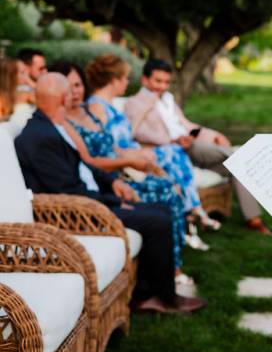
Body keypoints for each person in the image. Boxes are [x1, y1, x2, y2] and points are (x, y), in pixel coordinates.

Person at [14, 73, 206, 314]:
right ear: (63, 98)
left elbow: (85, 164)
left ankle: (145, 294)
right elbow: (67, 191)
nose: (74, 95)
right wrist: (113, 201)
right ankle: (165, 298)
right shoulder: (41, 137)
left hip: (89, 200)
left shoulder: (53, 126)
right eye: (69, 92)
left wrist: (112, 182)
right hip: (74, 214)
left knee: (161, 209)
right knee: (157, 221)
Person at [48, 60, 192, 285]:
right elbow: (89, 161)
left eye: (78, 85)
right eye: (68, 86)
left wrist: (138, 158)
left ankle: (172, 261)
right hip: (105, 181)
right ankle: (171, 269)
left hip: (118, 174)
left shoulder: (89, 111)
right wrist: (129, 162)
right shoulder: (64, 122)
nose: (74, 91)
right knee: (167, 193)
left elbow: (112, 146)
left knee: (169, 185)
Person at [84, 54, 218, 250]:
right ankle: (191, 214)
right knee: (173, 157)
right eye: (125, 78)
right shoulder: (97, 106)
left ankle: (188, 221)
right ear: (114, 80)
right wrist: (134, 156)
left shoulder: (108, 104)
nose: (127, 82)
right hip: (125, 166)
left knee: (174, 163)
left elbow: (127, 135)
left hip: (136, 156)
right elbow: (104, 147)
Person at [125, 59, 272, 235]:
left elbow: (187, 124)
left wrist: (213, 134)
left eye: (166, 82)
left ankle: (254, 219)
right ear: (145, 80)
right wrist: (172, 140)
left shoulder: (168, 100)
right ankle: (256, 159)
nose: (163, 86)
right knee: (238, 158)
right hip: (173, 150)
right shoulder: (134, 103)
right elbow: (139, 132)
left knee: (237, 164)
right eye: (158, 81)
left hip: (190, 144)